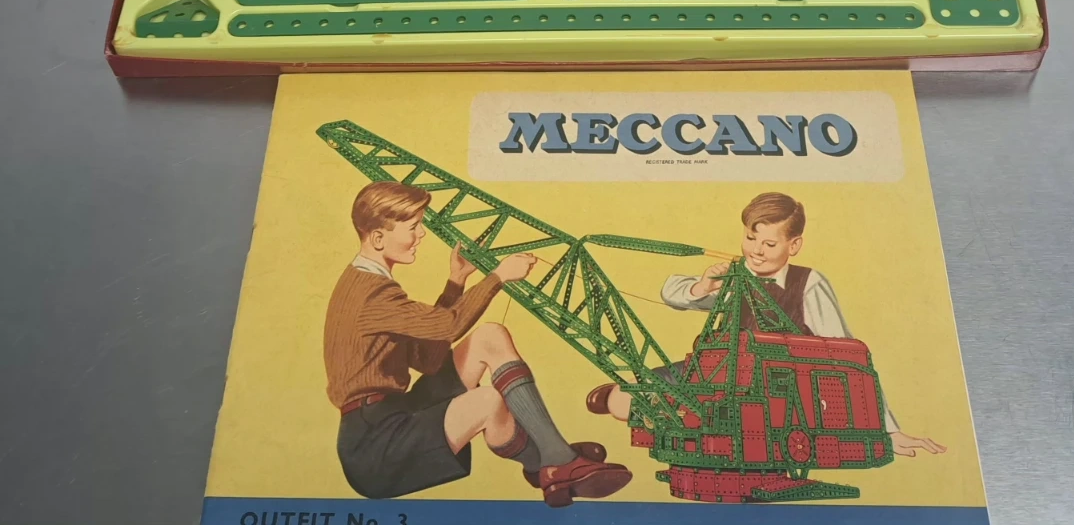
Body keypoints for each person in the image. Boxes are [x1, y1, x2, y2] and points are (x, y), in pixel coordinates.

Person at [324, 180, 631, 504]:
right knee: (487, 401)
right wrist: (498, 277)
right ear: (377, 238)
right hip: (375, 448)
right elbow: (449, 325)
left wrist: (457, 281)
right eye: (413, 227)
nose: (422, 234)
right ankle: (550, 462)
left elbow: (427, 360)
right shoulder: (371, 294)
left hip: (394, 414)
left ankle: (552, 456)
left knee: (489, 336)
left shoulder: (368, 282)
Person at [585, 191, 946, 459]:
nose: (756, 250)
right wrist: (704, 286)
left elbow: (850, 358)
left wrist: (886, 429)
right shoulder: (735, 277)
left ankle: (701, 427)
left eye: (769, 243)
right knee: (622, 400)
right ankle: (681, 422)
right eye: (750, 238)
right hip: (716, 371)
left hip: (779, 387)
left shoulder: (809, 284)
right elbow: (672, 293)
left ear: (794, 245)